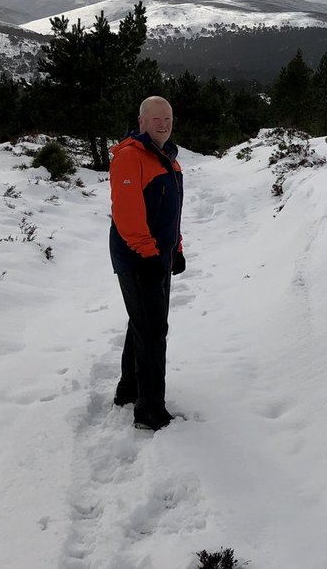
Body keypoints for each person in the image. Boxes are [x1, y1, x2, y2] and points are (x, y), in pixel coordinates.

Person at [108, 95, 186, 431]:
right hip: (138, 256)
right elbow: (127, 213)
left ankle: (130, 389)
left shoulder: (167, 158)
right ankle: (150, 411)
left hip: (158, 255)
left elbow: (171, 212)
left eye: (168, 118)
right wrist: (148, 254)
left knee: (142, 323)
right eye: (156, 119)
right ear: (141, 121)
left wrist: (176, 248)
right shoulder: (130, 157)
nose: (164, 125)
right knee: (153, 330)